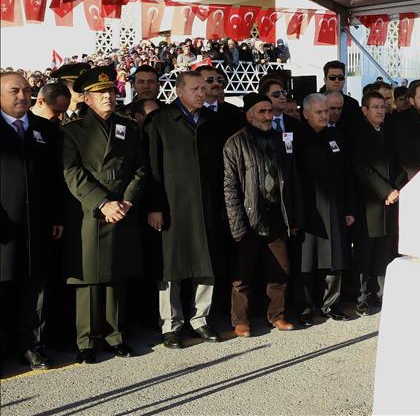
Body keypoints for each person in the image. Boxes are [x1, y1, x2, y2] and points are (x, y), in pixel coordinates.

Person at [62, 67, 145, 363]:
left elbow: (140, 169)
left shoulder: (128, 127)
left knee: (115, 275)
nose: (107, 96)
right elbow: (72, 173)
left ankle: (116, 336)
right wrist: (103, 203)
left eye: (110, 91)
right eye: (100, 93)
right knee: (88, 278)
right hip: (90, 210)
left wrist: (126, 201)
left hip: (121, 208)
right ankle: (86, 340)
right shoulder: (73, 131)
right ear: (86, 98)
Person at [145, 71, 224, 349]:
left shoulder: (211, 121)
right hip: (172, 205)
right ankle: (171, 325)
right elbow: (152, 167)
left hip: (205, 204)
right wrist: (154, 206)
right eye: (195, 89)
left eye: (204, 88)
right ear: (179, 91)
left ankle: (200, 319)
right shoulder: (160, 120)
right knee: (171, 266)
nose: (202, 93)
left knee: (205, 263)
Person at [223, 94, 304, 337]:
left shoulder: (282, 140)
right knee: (242, 274)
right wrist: (237, 225)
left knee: (280, 269)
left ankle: (277, 315)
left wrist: (294, 218)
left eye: (270, 111)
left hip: (277, 214)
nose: (268, 116)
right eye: (262, 111)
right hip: (249, 215)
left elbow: (293, 179)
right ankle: (241, 320)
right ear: (249, 115)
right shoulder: (235, 143)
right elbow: (230, 187)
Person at [1, 72, 64, 370]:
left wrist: (57, 216)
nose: (23, 96)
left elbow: (56, 178)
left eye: (27, 90)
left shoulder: (45, 130)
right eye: (14, 90)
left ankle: (31, 345)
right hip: (4, 226)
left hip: (38, 224)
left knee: (34, 289)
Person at [294, 93, 355, 323]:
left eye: (326, 111)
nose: (324, 115)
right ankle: (306, 306)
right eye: (318, 112)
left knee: (334, 258)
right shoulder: (296, 138)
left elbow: (347, 175)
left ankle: (331, 304)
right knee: (306, 261)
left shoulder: (335, 136)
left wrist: (349, 208)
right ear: (306, 114)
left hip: (334, 209)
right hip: (307, 209)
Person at [349, 92, 407, 315]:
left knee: (384, 252)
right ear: (364, 110)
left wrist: (397, 189)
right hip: (369, 202)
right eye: (375, 107)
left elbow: (399, 163)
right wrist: (386, 191)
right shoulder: (357, 134)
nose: (380, 111)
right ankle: (362, 298)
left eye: (383, 107)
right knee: (364, 254)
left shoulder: (388, 132)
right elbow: (361, 168)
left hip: (391, 201)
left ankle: (382, 294)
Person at [322, 60, 362, 129]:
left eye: (340, 78)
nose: (337, 81)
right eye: (332, 77)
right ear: (325, 79)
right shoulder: (313, 102)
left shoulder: (352, 104)